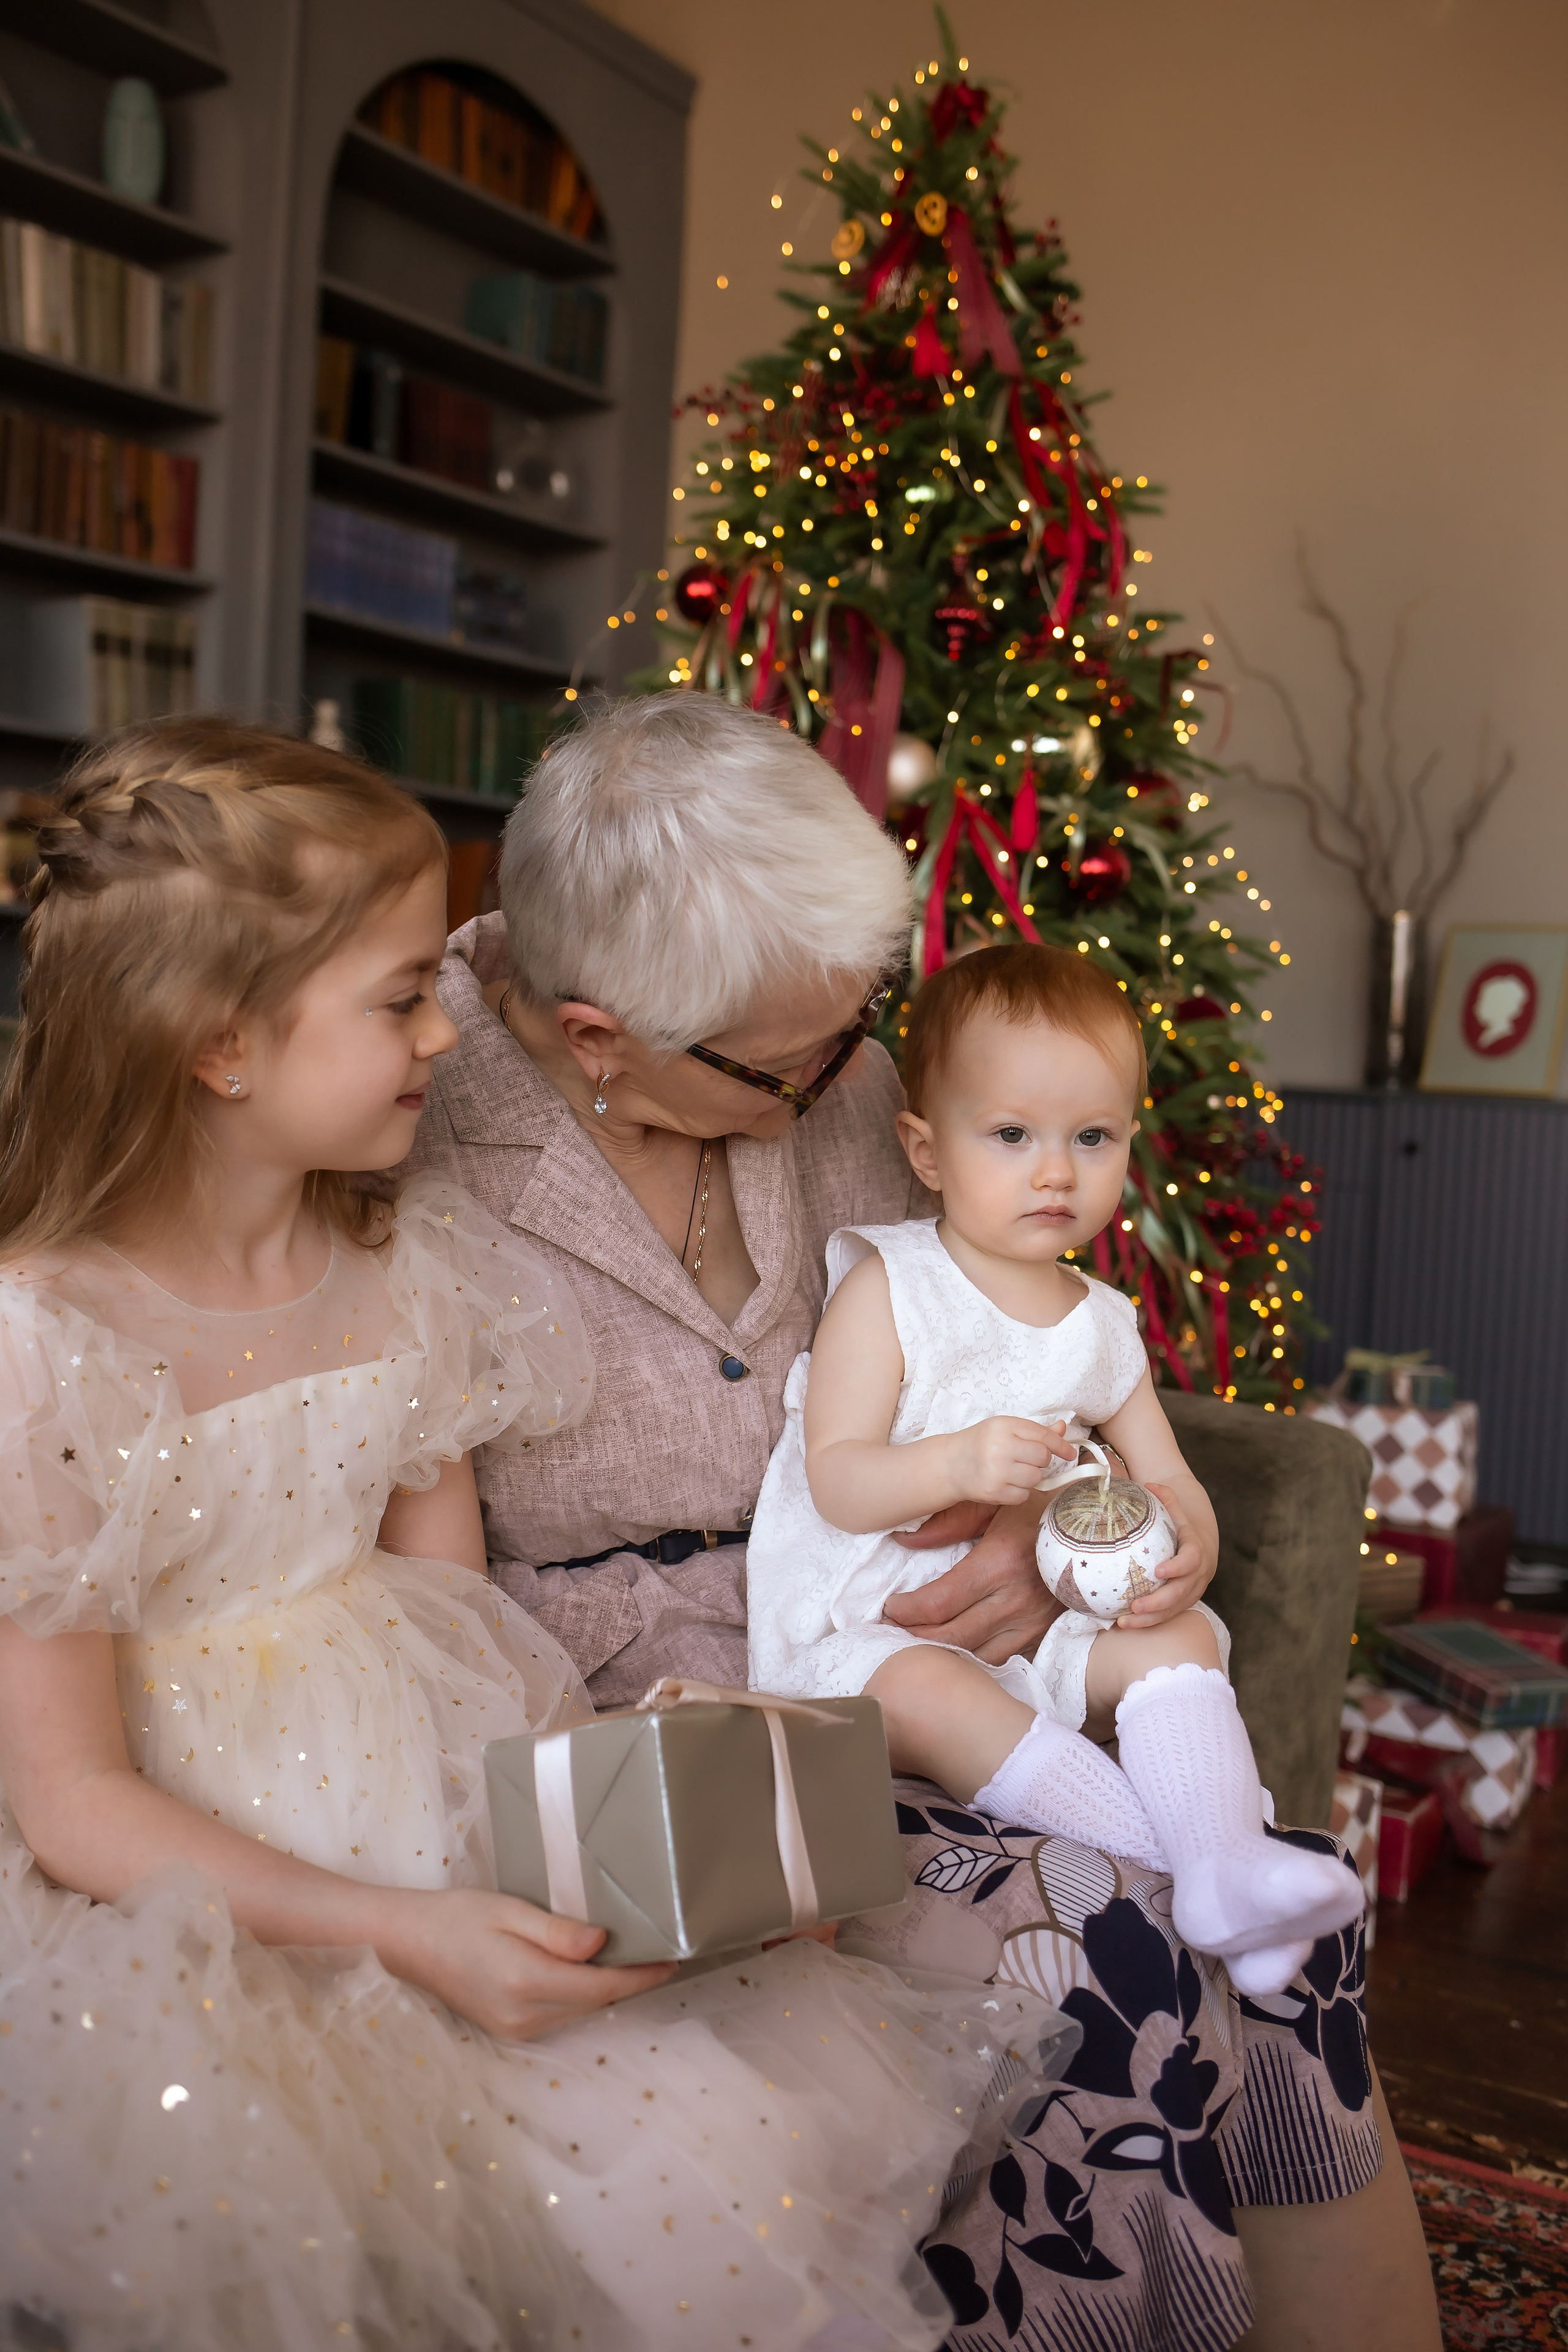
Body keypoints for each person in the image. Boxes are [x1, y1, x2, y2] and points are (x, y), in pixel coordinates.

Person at [401, 692, 1439, 2352]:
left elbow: (981, 1353)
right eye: (798, 1058)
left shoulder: (826, 1054)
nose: (850, 1073)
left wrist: (1040, 1541)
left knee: (1277, 1903)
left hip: (919, 1629)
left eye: (857, 1023)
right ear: (599, 1038)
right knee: (1110, 1927)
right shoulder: (412, 1113)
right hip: (640, 1710)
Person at [0, 717, 1054, 2352]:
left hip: (434, 1831)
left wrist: (682, 1840)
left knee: (737, 2169)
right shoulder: (43, 1345)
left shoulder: (406, 1268)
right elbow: (71, 1798)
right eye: (401, 997)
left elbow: (473, 1643)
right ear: (221, 1046)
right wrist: (408, 1935)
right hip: (201, 1900)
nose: (448, 1025)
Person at [746, 943, 1364, 1999]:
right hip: (871, 1628)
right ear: (926, 1151)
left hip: (1046, 1623)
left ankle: (1225, 1866)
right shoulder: (892, 1287)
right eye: (1011, 1135)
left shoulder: (1104, 1325)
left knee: (1178, 1634)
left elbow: (1170, 1482)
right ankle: (1206, 1867)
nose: (1055, 1172)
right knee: (934, 1691)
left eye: (1092, 1137)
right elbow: (839, 1480)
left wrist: (1195, 1549)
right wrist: (958, 1461)